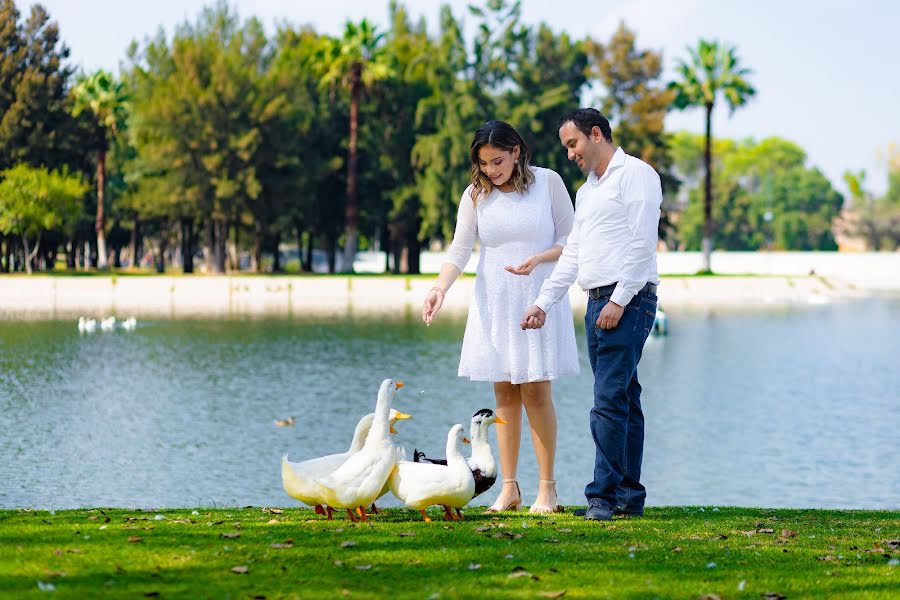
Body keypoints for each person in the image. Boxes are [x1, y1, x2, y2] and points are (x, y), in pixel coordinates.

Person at [422, 120, 579, 514]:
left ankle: (548, 491)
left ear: (517, 152)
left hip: (538, 297)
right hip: (494, 300)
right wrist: (439, 289)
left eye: (498, 160)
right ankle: (509, 488)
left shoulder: (548, 183)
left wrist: (539, 259)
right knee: (504, 395)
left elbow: (571, 241)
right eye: (484, 163)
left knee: (537, 393)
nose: (492, 170)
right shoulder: (476, 195)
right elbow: (459, 250)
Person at [522, 108, 662, 522]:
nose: (570, 154)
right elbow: (574, 254)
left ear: (596, 134)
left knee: (606, 400)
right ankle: (628, 496)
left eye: (573, 144)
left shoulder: (637, 175)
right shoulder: (588, 191)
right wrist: (542, 303)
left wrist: (619, 301)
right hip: (597, 301)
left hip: (628, 301)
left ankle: (600, 497)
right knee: (623, 400)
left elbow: (641, 245)